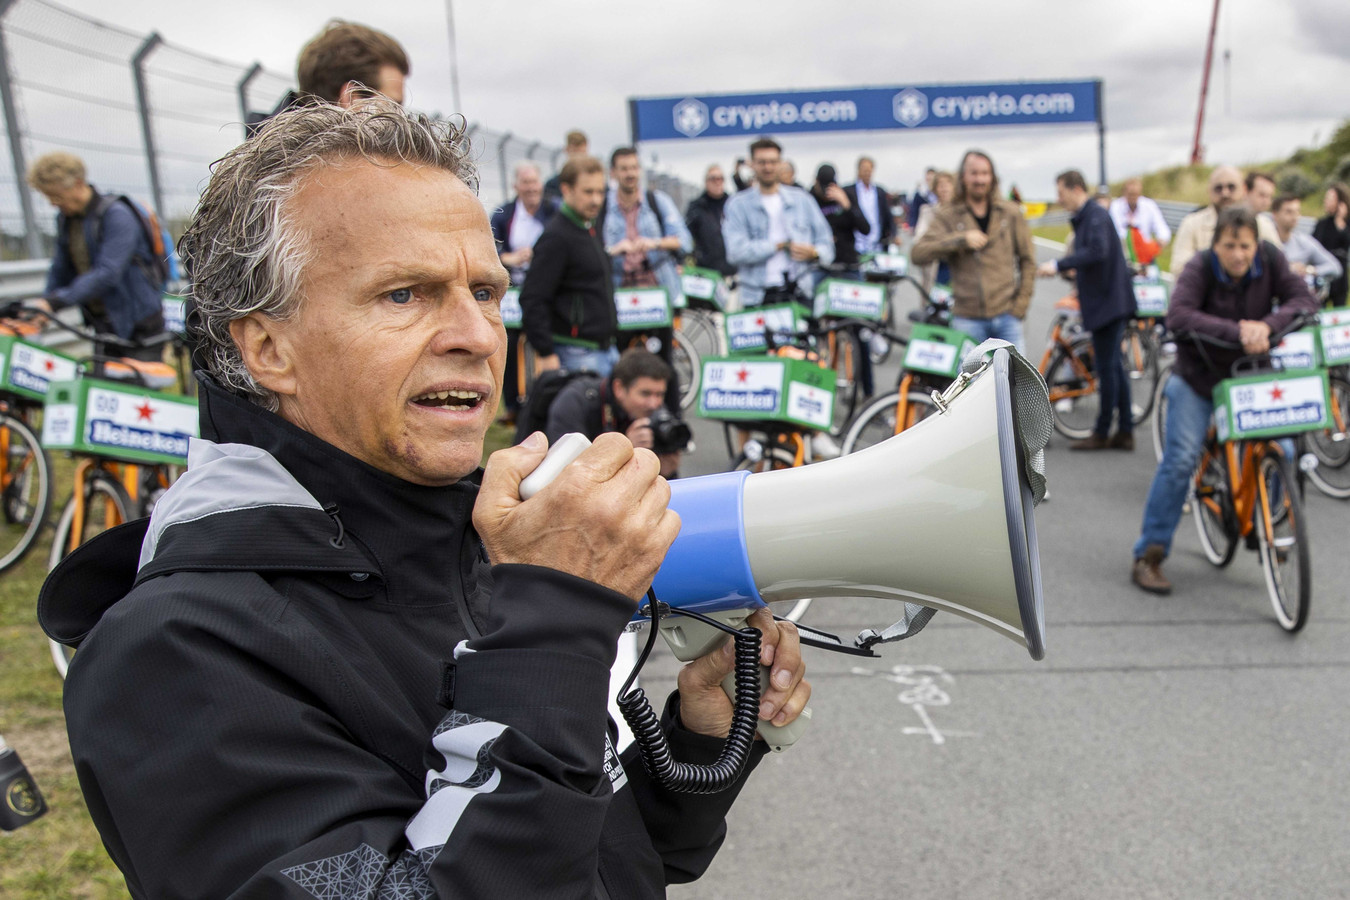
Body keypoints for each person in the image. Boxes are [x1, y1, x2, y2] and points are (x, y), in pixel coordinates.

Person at [40, 99, 809, 898]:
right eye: (406, 294)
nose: (477, 335)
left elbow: (591, 859)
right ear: (267, 348)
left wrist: (698, 741)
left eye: (487, 291)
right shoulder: (172, 656)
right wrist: (552, 634)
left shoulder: (464, 543)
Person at [1131, 207, 1317, 594]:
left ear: (1256, 245)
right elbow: (1179, 316)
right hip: (1198, 379)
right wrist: (1239, 331)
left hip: (1251, 376)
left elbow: (1303, 299)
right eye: (1230, 246)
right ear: (1215, 244)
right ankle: (1149, 554)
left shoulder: (1271, 259)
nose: (1238, 254)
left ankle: (1271, 527)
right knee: (1181, 460)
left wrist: (1268, 325)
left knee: (1284, 449)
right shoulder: (1199, 268)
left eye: (1245, 246)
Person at [25, 151, 164, 361]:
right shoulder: (66, 220)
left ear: (78, 184)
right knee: (102, 379)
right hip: (104, 324)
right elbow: (60, 269)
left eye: (57, 196)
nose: (53, 203)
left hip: (139, 324)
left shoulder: (117, 215)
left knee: (137, 382)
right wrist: (45, 305)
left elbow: (108, 272)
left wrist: (56, 302)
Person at [1037, 170, 1137, 450]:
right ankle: (1125, 430)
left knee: (1107, 369)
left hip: (1108, 304)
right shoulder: (1090, 216)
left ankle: (1102, 432)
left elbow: (1097, 251)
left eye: (1061, 193)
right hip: (1109, 301)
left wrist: (1059, 264)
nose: (1059, 199)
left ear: (1076, 189)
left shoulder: (1094, 216)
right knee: (1114, 367)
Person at [910, 149, 1035, 353]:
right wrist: (959, 240)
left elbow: (1028, 260)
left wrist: (1021, 305)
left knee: (1014, 375)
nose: (980, 179)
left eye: (984, 173)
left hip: (1008, 317)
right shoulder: (949, 214)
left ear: (992, 177)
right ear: (963, 177)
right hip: (967, 318)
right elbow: (918, 253)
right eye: (974, 173)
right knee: (970, 375)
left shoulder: (1009, 213)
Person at [602, 147, 692, 411]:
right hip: (620, 294)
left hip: (656, 293)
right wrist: (614, 250)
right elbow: (592, 247)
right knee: (621, 363)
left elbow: (684, 241)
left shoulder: (657, 201)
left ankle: (671, 420)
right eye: (624, 169)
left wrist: (654, 243)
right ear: (613, 173)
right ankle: (623, 420)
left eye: (634, 168)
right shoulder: (604, 206)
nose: (630, 174)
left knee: (663, 361)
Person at [520, 156, 620, 377]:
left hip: (605, 349)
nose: (596, 200)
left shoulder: (590, 227)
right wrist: (546, 352)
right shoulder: (556, 237)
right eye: (588, 192)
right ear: (566, 190)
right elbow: (533, 298)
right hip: (575, 353)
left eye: (600, 192)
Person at [722, 138, 833, 307]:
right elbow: (735, 252)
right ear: (752, 164)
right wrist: (777, 246)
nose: (768, 167)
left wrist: (814, 252)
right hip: (756, 296)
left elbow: (827, 246)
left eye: (773, 162)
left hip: (799, 293)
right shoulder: (738, 205)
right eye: (762, 162)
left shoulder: (803, 200)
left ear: (780, 163)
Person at [247, 20, 408, 132]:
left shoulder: (261, 162)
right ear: (352, 99)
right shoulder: (334, 170)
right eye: (393, 105)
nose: (403, 120)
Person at [546, 348, 682, 477]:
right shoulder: (575, 403)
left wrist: (664, 473)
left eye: (660, 394)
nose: (653, 404)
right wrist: (624, 450)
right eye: (645, 394)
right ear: (619, 388)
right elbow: (568, 474)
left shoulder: (655, 410)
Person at [490, 162, 557, 421]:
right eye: (525, 182)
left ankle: (548, 400)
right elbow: (490, 251)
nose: (531, 188)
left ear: (541, 184)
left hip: (547, 288)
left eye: (534, 182)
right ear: (516, 186)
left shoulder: (553, 211)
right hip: (514, 288)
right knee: (508, 341)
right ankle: (512, 406)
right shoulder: (503, 215)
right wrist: (509, 258)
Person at [1170, 166, 1279, 273]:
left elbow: (1278, 266)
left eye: (1231, 187)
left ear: (1244, 189)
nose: (1225, 193)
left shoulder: (1262, 224)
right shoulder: (1192, 223)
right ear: (1209, 191)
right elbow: (1178, 267)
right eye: (1218, 188)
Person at [810, 163, 870, 276]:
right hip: (820, 266)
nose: (827, 194)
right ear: (816, 182)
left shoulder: (847, 195)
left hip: (848, 265)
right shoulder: (810, 199)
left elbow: (865, 229)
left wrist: (847, 206)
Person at [1271, 194, 1343, 284]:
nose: (1294, 216)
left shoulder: (1304, 242)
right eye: (1289, 212)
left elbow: (1335, 267)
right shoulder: (1265, 241)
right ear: (1275, 214)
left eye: (1297, 211)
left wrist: (1309, 270)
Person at [685, 165, 736, 277]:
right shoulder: (696, 207)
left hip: (732, 270)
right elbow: (686, 236)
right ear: (706, 182)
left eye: (720, 179)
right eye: (713, 179)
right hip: (706, 272)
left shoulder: (733, 205)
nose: (717, 182)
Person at [846, 156, 896, 259]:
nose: (867, 173)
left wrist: (894, 234)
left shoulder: (879, 192)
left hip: (876, 244)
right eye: (864, 169)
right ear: (858, 170)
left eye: (869, 170)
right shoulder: (849, 192)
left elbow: (888, 216)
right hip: (857, 245)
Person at [914, 170, 955, 293]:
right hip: (935, 266)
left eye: (948, 184)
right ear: (935, 189)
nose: (944, 188)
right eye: (940, 185)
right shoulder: (927, 212)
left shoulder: (962, 213)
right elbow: (920, 239)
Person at [1312, 182, 1350, 307]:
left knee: (1339, 311)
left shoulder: (1346, 224)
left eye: (1329, 198)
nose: (1325, 201)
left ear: (1340, 202)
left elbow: (1346, 242)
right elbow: (1312, 244)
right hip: (1322, 277)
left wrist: (1340, 224)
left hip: (1340, 279)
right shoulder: (1322, 224)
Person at [542, 129, 589, 206]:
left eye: (581, 153)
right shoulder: (552, 185)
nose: (578, 158)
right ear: (566, 150)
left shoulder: (595, 185)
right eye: (575, 152)